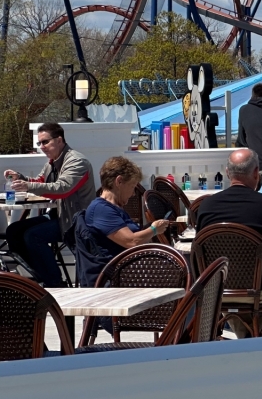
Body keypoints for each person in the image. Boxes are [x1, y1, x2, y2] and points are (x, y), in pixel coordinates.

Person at [195, 149, 262, 336]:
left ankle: (247, 338)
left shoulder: (206, 206)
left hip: (218, 290)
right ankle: (257, 339)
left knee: (237, 308)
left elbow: (201, 253)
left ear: (228, 173)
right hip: (261, 289)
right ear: (256, 173)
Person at [4, 122, 96, 287]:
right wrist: (21, 178)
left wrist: (28, 186)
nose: (41, 147)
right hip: (58, 215)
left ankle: (55, 284)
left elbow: (62, 189)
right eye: (39, 143)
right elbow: (40, 181)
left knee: (32, 235)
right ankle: (38, 277)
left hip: (75, 221)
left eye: (45, 142)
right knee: (14, 230)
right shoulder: (52, 162)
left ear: (59, 140)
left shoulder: (77, 162)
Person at [75, 157, 171, 289]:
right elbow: (131, 241)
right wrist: (154, 229)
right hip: (116, 278)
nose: (133, 194)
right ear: (119, 181)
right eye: (132, 186)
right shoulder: (101, 209)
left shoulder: (113, 208)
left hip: (127, 272)